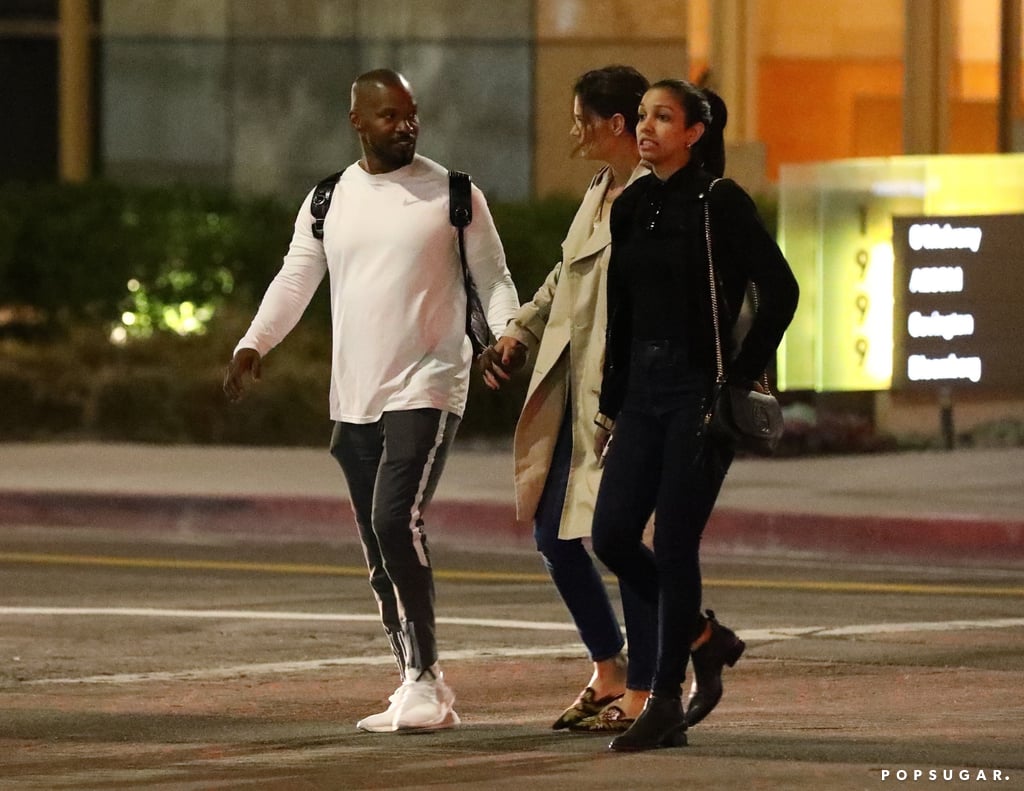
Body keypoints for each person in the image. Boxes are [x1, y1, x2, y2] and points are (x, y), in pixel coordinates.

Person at [223, 69, 520, 733]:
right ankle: (419, 678)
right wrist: (253, 343)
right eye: (390, 116)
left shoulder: (453, 194)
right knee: (375, 543)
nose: (406, 126)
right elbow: (296, 276)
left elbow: (493, 277)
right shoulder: (328, 199)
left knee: (394, 519)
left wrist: (508, 334)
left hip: (431, 380)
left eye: (411, 114)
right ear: (357, 120)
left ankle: (422, 677)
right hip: (354, 394)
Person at [590, 79, 799, 752]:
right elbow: (621, 315)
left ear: (695, 133)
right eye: (643, 116)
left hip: (698, 392)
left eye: (662, 117)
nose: (645, 128)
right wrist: (609, 406)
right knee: (614, 534)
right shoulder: (633, 204)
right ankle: (706, 637)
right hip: (643, 392)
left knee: (676, 543)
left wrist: (737, 375)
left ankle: (667, 702)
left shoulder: (720, 202)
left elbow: (781, 291)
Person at [478, 65, 657, 734]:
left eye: (582, 115)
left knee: (624, 539)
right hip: (574, 395)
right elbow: (564, 276)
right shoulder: (599, 189)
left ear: (616, 122)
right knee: (555, 534)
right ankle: (609, 666)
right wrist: (520, 331)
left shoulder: (651, 198)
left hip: (624, 400)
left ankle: (643, 689)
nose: (573, 128)